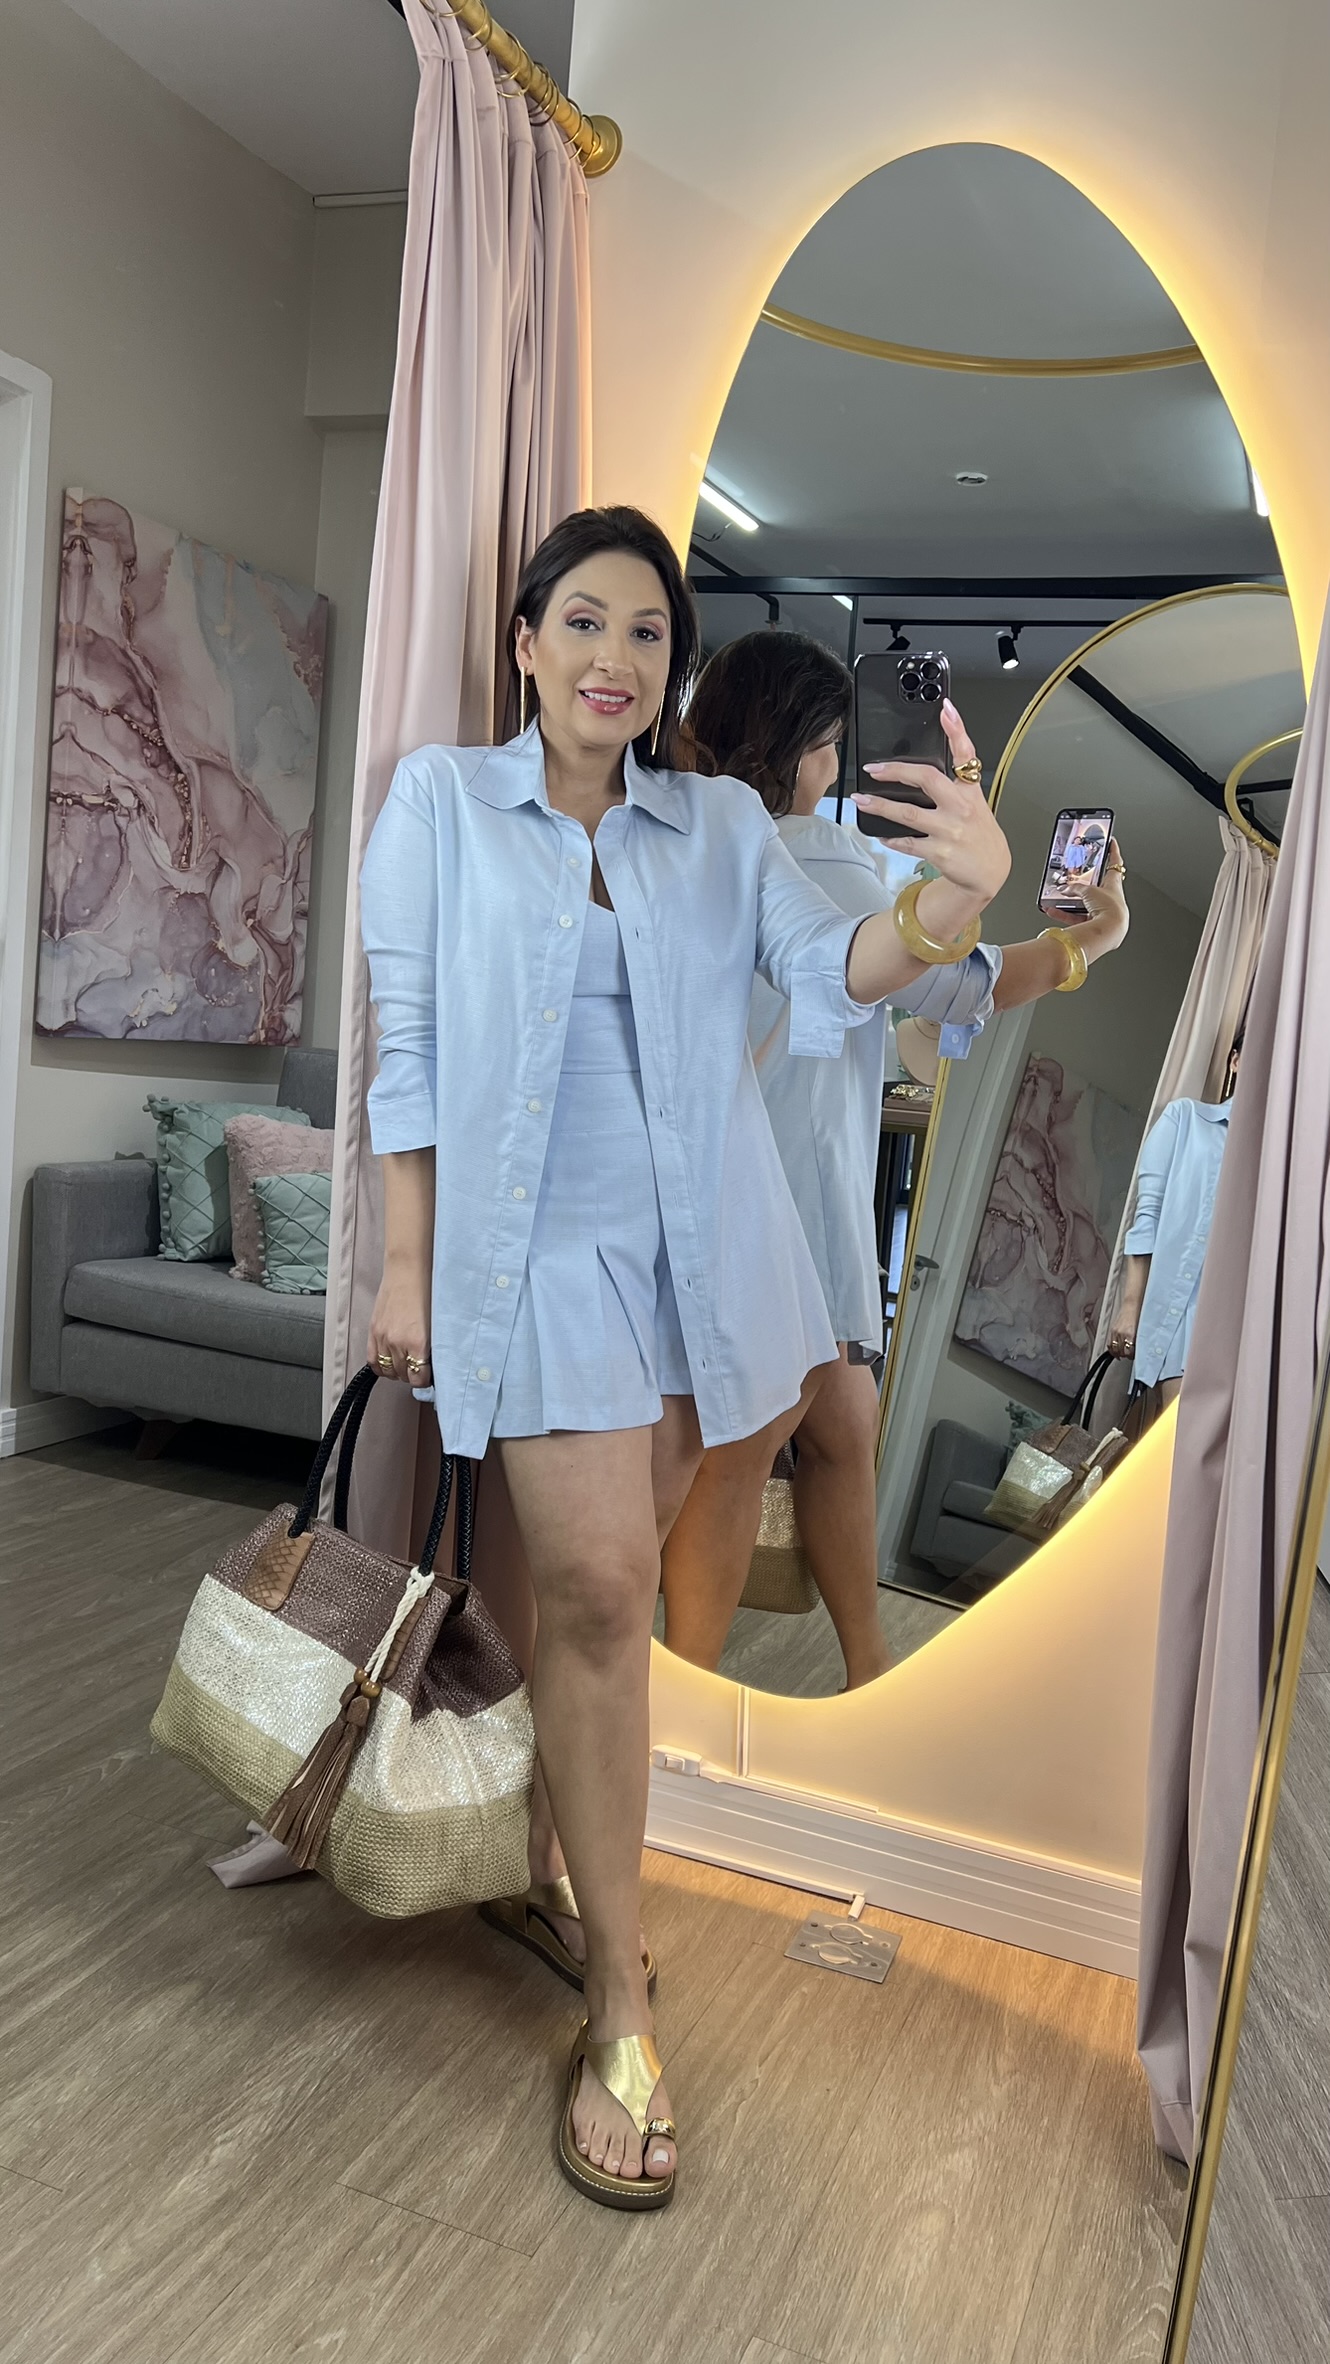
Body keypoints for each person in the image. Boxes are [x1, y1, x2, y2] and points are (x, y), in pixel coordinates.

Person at [359, 509, 1012, 2210]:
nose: (614, 655)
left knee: (604, 1604)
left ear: (673, 669)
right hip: (529, 1259)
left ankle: (541, 1863)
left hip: (699, 1265)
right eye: (583, 619)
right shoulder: (441, 804)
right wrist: (405, 1266)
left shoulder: (717, 825)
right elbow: (406, 1047)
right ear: (524, 641)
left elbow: (836, 975)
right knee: (592, 1591)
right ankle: (621, 2001)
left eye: (648, 632)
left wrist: (955, 900)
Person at [659, 629, 1131, 1689]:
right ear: (809, 747)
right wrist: (1084, 944)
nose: (839, 763)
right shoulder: (819, 857)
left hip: (754, 1178)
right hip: (788, 1188)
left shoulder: (693, 841)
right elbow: (959, 985)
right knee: (744, 1451)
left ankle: (864, 1665)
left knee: (840, 1423)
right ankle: (682, 1694)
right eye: (835, 742)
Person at [1108, 1035, 1241, 1405]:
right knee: (1174, 1436)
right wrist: (1131, 1306)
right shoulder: (1184, 1119)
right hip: (1176, 1320)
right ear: (1234, 1061)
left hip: (1233, 1332)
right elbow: (1147, 1216)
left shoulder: (1279, 1164)